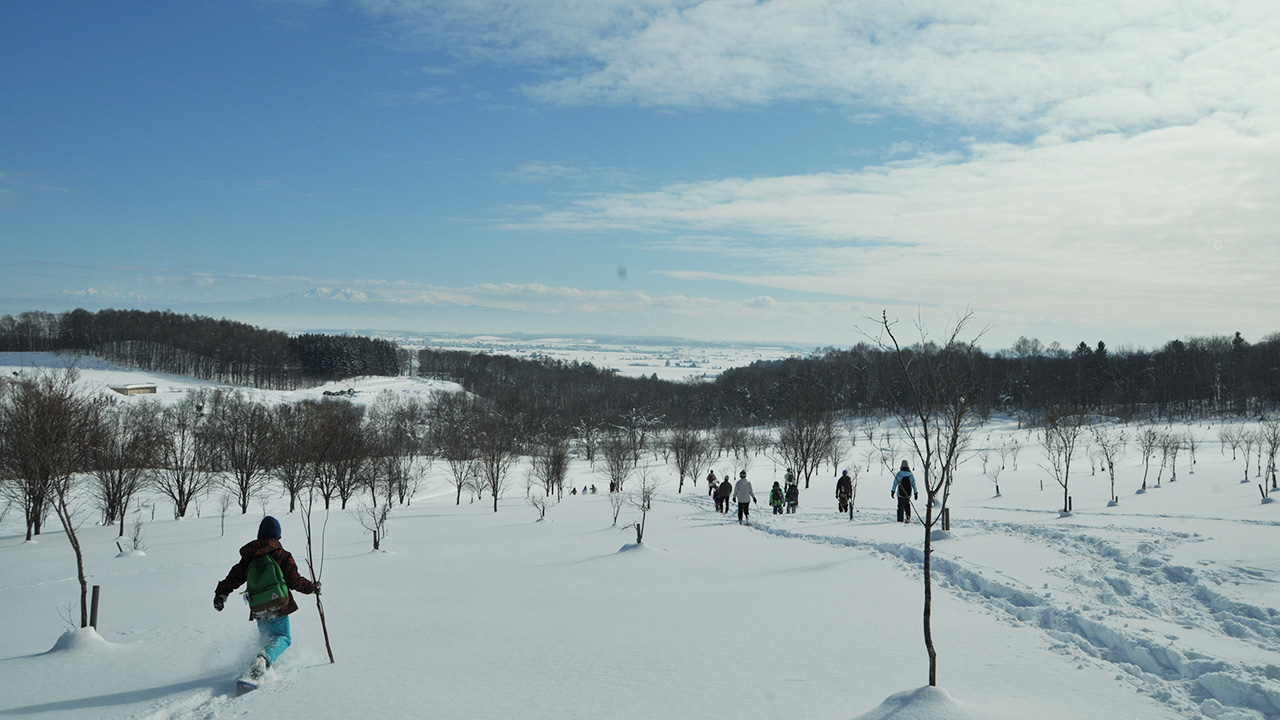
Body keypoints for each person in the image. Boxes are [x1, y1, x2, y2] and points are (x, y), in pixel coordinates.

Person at [214, 516, 319, 679]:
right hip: (278, 604)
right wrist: (313, 587)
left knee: (267, 637)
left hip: (258, 606)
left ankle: (261, 662)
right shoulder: (282, 555)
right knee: (283, 637)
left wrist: (221, 594)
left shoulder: (249, 558)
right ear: (278, 536)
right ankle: (263, 660)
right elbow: (294, 580)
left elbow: (234, 577)